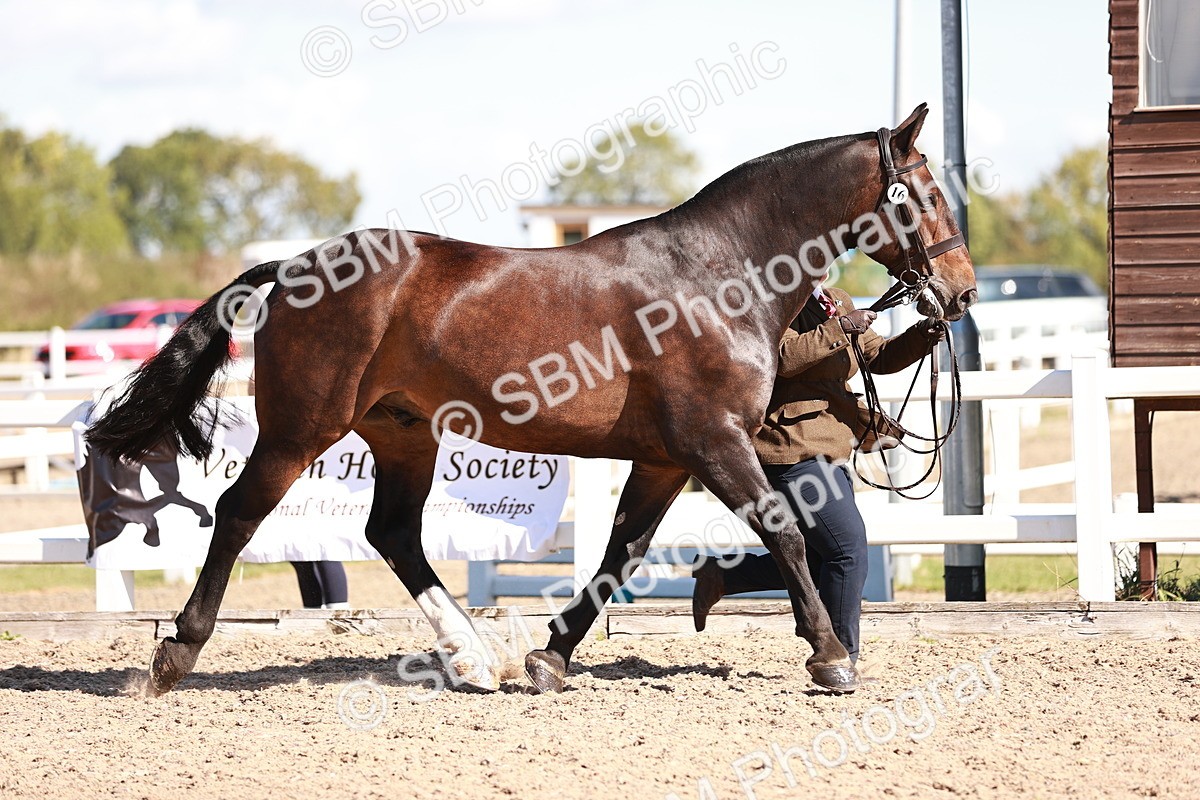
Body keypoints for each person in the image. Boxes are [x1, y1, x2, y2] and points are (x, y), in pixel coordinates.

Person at [691, 283, 944, 664]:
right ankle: (841, 657)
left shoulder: (835, 299)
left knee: (823, 560)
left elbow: (878, 356)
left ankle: (728, 574)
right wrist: (842, 328)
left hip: (829, 449)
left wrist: (926, 331)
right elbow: (781, 358)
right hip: (790, 450)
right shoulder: (767, 301)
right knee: (847, 552)